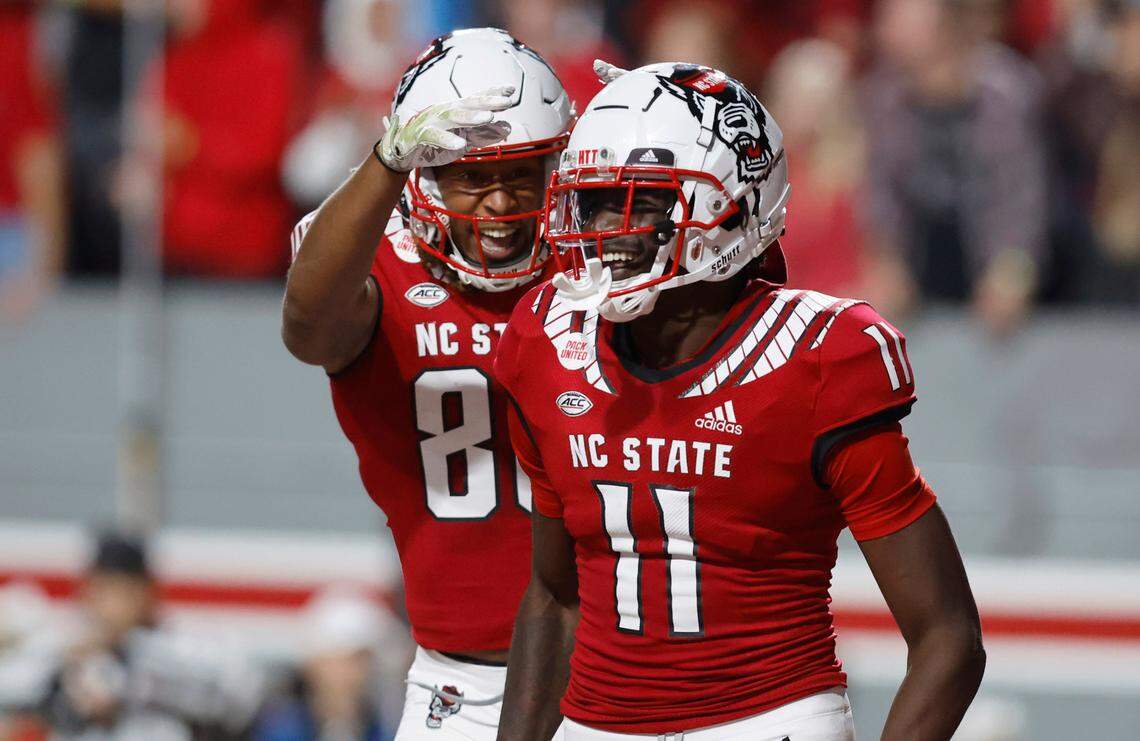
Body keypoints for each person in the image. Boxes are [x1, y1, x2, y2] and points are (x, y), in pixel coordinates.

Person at [494, 61, 985, 740]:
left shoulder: (816, 358)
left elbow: (947, 636)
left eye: (639, 201)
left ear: (731, 208)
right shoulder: (548, 340)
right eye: (597, 200)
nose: (608, 227)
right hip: (594, 724)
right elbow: (554, 596)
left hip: (766, 721)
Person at [281, 28, 572, 739]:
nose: (500, 200)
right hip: (459, 680)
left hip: (616, 666)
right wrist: (384, 161)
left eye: (521, 172)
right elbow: (308, 328)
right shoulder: (375, 264)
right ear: (423, 174)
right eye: (472, 175)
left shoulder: (597, 263)